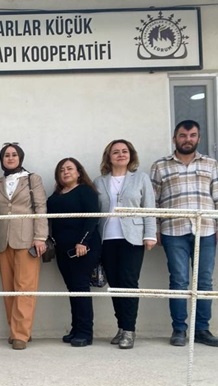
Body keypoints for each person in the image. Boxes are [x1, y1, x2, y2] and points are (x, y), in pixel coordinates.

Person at [150, 120, 218, 347]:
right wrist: (155, 229)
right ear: (174, 138)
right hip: (173, 230)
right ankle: (179, 329)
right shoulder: (160, 166)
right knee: (179, 280)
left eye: (192, 135)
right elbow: (153, 201)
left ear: (198, 138)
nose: (187, 139)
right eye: (183, 135)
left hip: (206, 229)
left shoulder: (211, 164)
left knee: (204, 282)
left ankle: (202, 330)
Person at [93, 139, 156, 349]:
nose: (120, 154)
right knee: (114, 285)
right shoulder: (99, 181)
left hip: (133, 238)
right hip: (106, 238)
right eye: (116, 152)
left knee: (129, 283)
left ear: (131, 155)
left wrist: (150, 235)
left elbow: (149, 208)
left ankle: (129, 330)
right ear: (108, 157)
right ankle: (121, 327)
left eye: (124, 151)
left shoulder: (141, 178)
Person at [0, 143, 48, 350]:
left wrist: (40, 236)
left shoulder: (32, 179)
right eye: (6, 155)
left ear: (20, 158)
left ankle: (21, 334)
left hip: (27, 240)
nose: (10, 158)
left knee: (25, 287)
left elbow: (40, 208)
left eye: (14, 154)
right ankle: (14, 329)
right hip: (3, 241)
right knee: (8, 288)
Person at [47, 157, 101, 347]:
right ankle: (76, 329)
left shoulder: (86, 191)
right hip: (63, 250)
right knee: (73, 290)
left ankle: (85, 333)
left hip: (83, 249)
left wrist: (83, 242)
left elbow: (92, 218)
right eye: (61, 170)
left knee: (80, 288)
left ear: (78, 172)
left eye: (69, 169)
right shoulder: (54, 198)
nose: (65, 172)